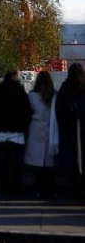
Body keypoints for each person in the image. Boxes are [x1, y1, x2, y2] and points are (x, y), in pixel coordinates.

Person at [0, 70, 31, 197]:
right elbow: (26, 112)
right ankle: (16, 186)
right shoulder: (20, 93)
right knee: (16, 161)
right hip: (16, 130)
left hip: (0, 130)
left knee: (3, 159)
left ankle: (4, 185)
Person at [24, 70, 57, 199]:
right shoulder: (54, 96)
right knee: (49, 164)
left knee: (37, 164)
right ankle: (50, 190)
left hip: (36, 129)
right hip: (50, 130)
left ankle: (39, 189)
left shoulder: (32, 96)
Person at [54, 62, 85, 199]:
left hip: (69, 132)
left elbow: (59, 110)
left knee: (72, 162)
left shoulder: (65, 88)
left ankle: (74, 189)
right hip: (79, 131)